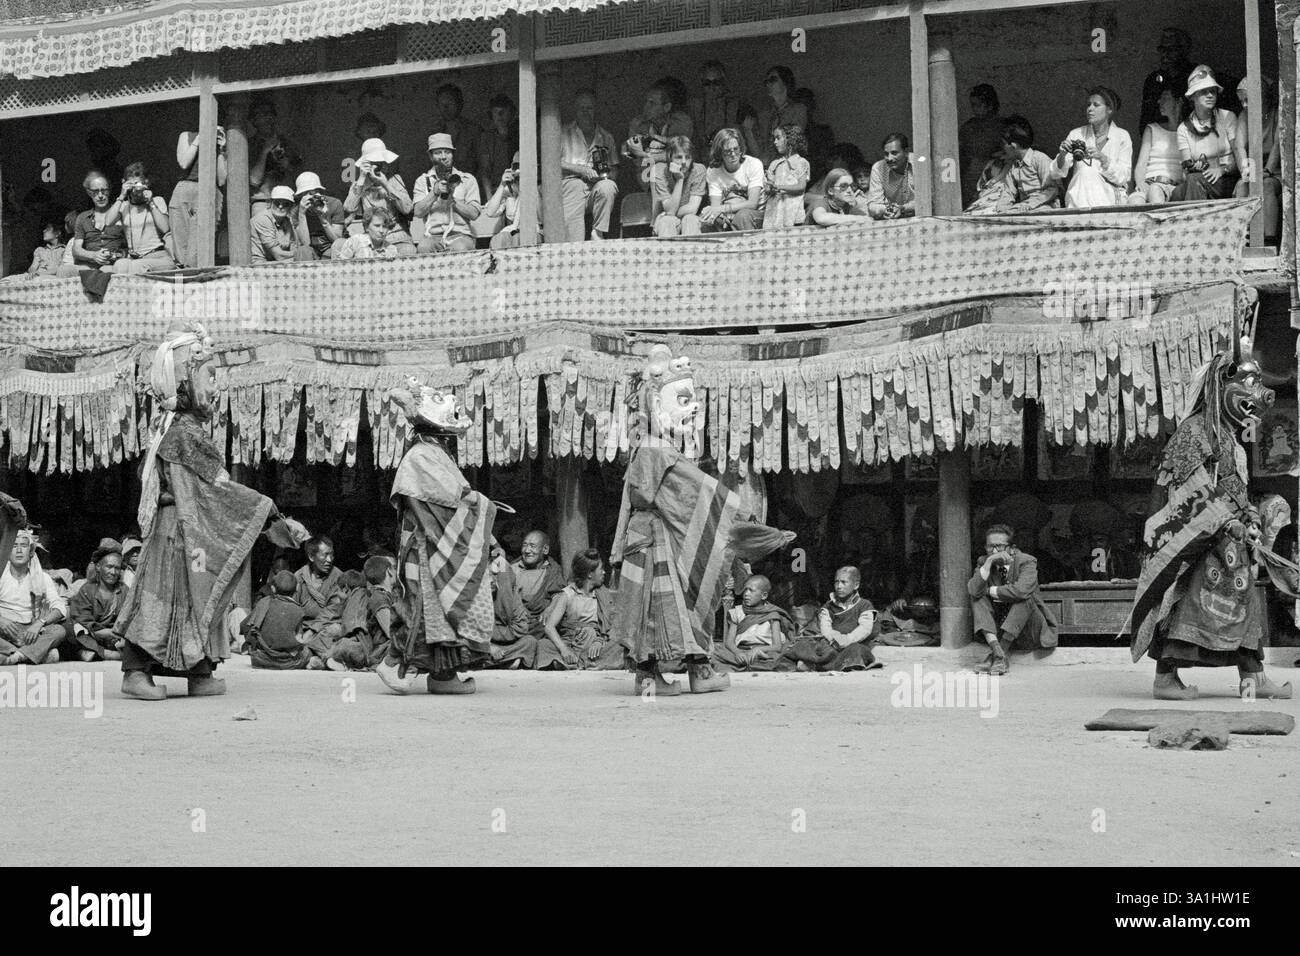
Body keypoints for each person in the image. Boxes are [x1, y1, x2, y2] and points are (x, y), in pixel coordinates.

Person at [114, 321, 307, 700]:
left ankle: (199, 673)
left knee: (198, 599)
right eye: (210, 376)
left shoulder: (185, 431)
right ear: (185, 381)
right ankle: (134, 672)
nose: (215, 387)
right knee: (165, 599)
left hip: (191, 531)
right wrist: (267, 511)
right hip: (175, 532)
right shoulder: (182, 434)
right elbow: (217, 489)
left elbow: (211, 490)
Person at [611, 344, 795, 696]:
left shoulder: (648, 450)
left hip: (653, 538)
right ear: (654, 405)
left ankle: (667, 675)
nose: (693, 407)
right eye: (683, 400)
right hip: (658, 541)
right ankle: (672, 675)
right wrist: (741, 515)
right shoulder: (658, 453)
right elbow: (701, 492)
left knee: (681, 603)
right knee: (679, 602)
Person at [1125, 338, 1294, 701]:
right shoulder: (1194, 430)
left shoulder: (1229, 438)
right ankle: (1165, 679)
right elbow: (1190, 486)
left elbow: (1236, 487)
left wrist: (1248, 515)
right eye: (1248, 384)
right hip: (1199, 540)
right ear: (1222, 385)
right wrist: (1223, 521)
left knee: (1244, 604)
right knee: (1185, 603)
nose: (1259, 394)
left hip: (1230, 540)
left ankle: (1254, 676)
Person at [374, 379, 498, 695]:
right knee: (417, 609)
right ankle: (391, 665)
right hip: (422, 546)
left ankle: (444, 676)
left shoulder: (436, 455)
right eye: (448, 435)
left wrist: (476, 503)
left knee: (444, 613)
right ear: (437, 432)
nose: (451, 440)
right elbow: (409, 491)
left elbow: (453, 496)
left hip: (442, 543)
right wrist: (434, 521)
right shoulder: (420, 454)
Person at [967, 524, 1058, 676]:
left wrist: (991, 591)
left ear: (1012, 548)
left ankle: (997, 655)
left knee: (1025, 598)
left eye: (1000, 546)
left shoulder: (1027, 561)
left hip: (1028, 633)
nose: (995, 551)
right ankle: (999, 654)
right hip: (998, 631)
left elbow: (1021, 591)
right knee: (978, 598)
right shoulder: (984, 562)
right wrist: (989, 563)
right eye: (990, 547)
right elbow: (973, 590)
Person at [777, 566, 882, 672]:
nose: (839, 586)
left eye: (844, 582)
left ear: (856, 585)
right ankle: (825, 664)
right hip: (832, 644)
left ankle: (814, 665)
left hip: (853, 644)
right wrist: (833, 638)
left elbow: (865, 629)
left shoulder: (864, 605)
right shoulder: (828, 606)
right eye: (836, 582)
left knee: (856, 650)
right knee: (804, 645)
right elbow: (825, 628)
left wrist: (846, 640)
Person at [537, 549, 623, 670]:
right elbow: (549, 627)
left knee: (619, 646)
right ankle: (582, 662)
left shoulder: (602, 594)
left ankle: (571, 663)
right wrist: (564, 650)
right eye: (600, 569)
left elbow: (613, 625)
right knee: (543, 645)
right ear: (590, 574)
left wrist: (599, 641)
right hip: (569, 642)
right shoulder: (567, 594)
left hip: (592, 644)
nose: (604, 572)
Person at [1054, 86, 1132, 208]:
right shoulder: (1076, 134)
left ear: (1109, 109)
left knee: (1088, 172)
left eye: (1096, 105)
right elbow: (1057, 174)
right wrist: (1062, 155)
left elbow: (1123, 177)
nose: (1090, 109)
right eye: (1088, 105)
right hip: (1080, 196)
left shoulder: (1122, 136)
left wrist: (1103, 159)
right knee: (1085, 172)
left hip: (1110, 196)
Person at [1170, 65, 1239, 202]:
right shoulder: (1183, 128)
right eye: (1203, 91)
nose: (1210, 95)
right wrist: (1193, 167)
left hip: (1227, 178)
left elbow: (1240, 155)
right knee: (1179, 192)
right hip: (1199, 179)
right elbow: (1186, 168)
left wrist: (1222, 170)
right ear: (1193, 96)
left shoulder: (1227, 117)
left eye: (1213, 91)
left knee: (1193, 182)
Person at [966, 116, 1060, 214]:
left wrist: (1029, 204)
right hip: (1024, 209)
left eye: (1004, 145)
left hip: (1044, 206)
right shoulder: (1014, 166)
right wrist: (1002, 209)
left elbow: (1051, 189)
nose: (1003, 149)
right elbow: (1008, 192)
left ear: (1013, 146)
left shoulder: (1040, 159)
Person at [0, 530, 67, 666]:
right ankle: (36, 654)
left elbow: (60, 608)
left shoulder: (43, 577)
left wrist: (39, 623)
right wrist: (1, 620)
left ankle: (14, 657)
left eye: (23, 546)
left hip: (29, 633)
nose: (19, 550)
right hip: (3, 629)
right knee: (52, 653)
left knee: (59, 630)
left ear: (31, 552)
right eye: (14, 546)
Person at [559, 90, 620, 241]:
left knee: (609, 186)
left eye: (589, 108)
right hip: (570, 186)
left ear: (595, 110)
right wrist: (581, 170)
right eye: (582, 108)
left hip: (595, 188)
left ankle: (597, 233)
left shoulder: (606, 137)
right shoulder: (563, 133)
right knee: (576, 185)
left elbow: (615, 169)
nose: (585, 112)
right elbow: (553, 163)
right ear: (575, 110)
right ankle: (575, 247)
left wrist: (602, 176)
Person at [411, 133, 482, 254]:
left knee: (459, 248)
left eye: (447, 152)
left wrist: (453, 201)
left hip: (460, 235)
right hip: (432, 236)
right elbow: (418, 212)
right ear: (430, 156)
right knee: (423, 248)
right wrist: (434, 193)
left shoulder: (467, 179)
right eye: (438, 152)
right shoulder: (422, 181)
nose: (443, 157)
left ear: (453, 155)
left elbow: (474, 214)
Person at [343, 138, 415, 256]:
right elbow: (349, 208)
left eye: (380, 162)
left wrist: (386, 184)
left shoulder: (395, 180)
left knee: (408, 251)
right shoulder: (359, 184)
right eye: (373, 162)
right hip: (372, 238)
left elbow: (407, 208)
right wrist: (361, 178)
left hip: (397, 236)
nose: (377, 166)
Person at [1232, 75, 1281, 243]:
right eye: (1241, 101)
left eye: (1247, 100)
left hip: (1275, 171)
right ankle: (1243, 238)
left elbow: (1277, 145)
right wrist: (1246, 170)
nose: (1244, 105)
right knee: (1241, 186)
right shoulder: (1244, 116)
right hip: (1254, 168)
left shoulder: (1276, 113)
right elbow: (1239, 146)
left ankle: (1269, 238)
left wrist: (1267, 170)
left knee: (1266, 185)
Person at [170, 125, 227, 267]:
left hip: (207, 190)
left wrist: (222, 150)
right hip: (184, 188)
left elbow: (221, 179)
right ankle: (182, 280)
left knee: (196, 251)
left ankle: (194, 281)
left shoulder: (223, 141)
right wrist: (199, 139)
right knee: (180, 245)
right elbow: (184, 163)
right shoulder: (187, 135)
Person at [329, 560, 400, 671]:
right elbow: (390, 632)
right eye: (394, 568)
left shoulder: (387, 595)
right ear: (389, 571)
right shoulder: (379, 598)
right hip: (381, 650)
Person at [103, 162, 174, 273]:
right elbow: (108, 222)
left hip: (157, 256)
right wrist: (121, 195)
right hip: (134, 258)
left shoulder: (157, 201)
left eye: (138, 184)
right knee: (120, 265)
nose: (136, 189)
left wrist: (150, 203)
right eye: (132, 185)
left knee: (136, 266)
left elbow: (165, 228)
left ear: (146, 183)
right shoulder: (124, 206)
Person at [715, 573, 793, 672]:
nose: (746, 594)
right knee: (716, 653)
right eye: (745, 590)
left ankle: (747, 665)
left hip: (763, 651)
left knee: (779, 657)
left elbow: (777, 646)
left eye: (751, 591)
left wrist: (757, 650)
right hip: (741, 651)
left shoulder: (773, 614)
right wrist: (738, 653)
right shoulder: (737, 612)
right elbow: (729, 642)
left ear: (764, 595)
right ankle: (751, 664)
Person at [623, 77, 693, 186]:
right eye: (646, 102)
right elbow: (632, 155)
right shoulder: (637, 123)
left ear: (666, 107)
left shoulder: (681, 122)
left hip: (676, 181)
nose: (646, 107)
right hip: (647, 180)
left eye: (652, 103)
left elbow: (681, 153)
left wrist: (650, 154)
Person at [67, 539, 127, 662]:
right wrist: (102, 631)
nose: (113, 572)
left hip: (115, 636)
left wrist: (117, 633)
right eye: (109, 567)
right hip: (93, 634)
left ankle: (95, 653)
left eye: (117, 568)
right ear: (99, 567)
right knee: (73, 628)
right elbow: (81, 619)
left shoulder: (124, 590)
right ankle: (107, 654)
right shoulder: (87, 589)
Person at [1128, 78, 1186, 204]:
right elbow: (1141, 165)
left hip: (1172, 187)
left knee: (1155, 191)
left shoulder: (1188, 130)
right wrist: (1140, 184)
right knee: (1135, 202)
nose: (1159, 101)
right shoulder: (1152, 129)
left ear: (1179, 101)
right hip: (1148, 183)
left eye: (1165, 98)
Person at [61, 171, 126, 276]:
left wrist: (116, 255)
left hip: (113, 264)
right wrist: (93, 255)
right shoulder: (82, 217)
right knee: (64, 270)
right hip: (87, 266)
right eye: (95, 191)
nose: (100, 195)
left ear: (109, 191)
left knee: (107, 271)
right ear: (89, 193)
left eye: (104, 190)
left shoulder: (121, 212)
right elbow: (76, 250)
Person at [700, 128, 765, 232]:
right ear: (719, 152)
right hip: (728, 213)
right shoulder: (713, 171)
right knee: (709, 219)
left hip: (755, 213)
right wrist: (713, 213)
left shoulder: (753, 164)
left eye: (736, 149)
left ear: (741, 148)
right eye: (728, 151)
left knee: (742, 216)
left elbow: (753, 203)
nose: (733, 154)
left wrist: (722, 209)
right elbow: (715, 206)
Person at [742, 65, 808, 168]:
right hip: (765, 169)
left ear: (786, 82)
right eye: (766, 81)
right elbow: (758, 152)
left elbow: (792, 145)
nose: (768, 84)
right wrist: (748, 131)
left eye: (773, 80)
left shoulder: (798, 110)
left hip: (788, 169)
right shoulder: (764, 114)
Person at [248, 97, 304, 217]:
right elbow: (253, 180)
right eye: (262, 114)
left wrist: (284, 162)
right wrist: (265, 151)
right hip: (263, 202)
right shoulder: (250, 145)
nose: (268, 118)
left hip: (288, 201)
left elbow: (300, 176)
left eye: (270, 114)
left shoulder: (287, 143)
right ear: (253, 121)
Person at [244, 570, 311, 670]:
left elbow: (245, 627)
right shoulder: (298, 610)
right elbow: (299, 638)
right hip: (287, 663)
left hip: (260, 659)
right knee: (307, 651)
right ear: (297, 588)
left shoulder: (263, 602)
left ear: (272, 589)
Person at [486, 548, 536, 668]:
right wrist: (489, 647)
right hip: (483, 644)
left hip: (506, 644)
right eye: (488, 575)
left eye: (495, 575)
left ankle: (498, 660)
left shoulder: (511, 595)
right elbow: (469, 630)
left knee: (530, 642)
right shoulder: (474, 596)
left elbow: (521, 627)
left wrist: (496, 635)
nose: (492, 580)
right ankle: (506, 660)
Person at [430, 84, 482, 197]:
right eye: (441, 104)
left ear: (459, 103)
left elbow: (483, 167)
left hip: (469, 190)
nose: (445, 107)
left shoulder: (473, 131)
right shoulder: (435, 132)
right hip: (442, 191)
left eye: (449, 102)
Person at [510, 529, 565, 637]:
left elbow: (559, 594)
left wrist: (550, 608)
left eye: (532, 546)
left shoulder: (552, 570)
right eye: (524, 545)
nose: (527, 550)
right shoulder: (512, 568)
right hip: (515, 619)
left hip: (538, 623)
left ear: (545, 549)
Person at [1138, 27, 1194, 132]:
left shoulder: (1195, 77)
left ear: (1184, 50)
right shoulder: (1153, 80)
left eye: (1171, 50)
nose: (1165, 54)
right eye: (1162, 49)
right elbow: (1145, 121)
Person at [651, 136, 706, 237]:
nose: (684, 162)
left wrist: (670, 212)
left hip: (691, 217)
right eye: (679, 157)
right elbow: (670, 211)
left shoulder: (699, 170)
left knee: (690, 219)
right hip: (666, 219)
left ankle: (691, 252)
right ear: (670, 157)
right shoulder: (659, 170)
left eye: (688, 157)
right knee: (667, 221)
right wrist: (680, 180)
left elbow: (692, 208)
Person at [959, 83, 1004, 207]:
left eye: (977, 105)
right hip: (970, 176)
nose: (973, 109)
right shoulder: (968, 127)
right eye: (972, 105)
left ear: (990, 105)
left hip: (995, 178)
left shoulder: (1003, 127)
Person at [763, 124, 810, 229]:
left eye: (778, 138)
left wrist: (779, 187)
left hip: (792, 208)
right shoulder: (775, 164)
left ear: (790, 139)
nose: (775, 142)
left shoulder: (801, 162)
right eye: (774, 139)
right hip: (775, 210)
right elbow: (769, 188)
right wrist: (769, 187)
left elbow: (801, 186)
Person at [688, 60, 741, 153]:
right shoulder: (695, 105)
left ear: (723, 83)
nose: (711, 87)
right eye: (707, 83)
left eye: (716, 82)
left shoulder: (733, 104)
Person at [291, 172, 345, 260]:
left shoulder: (334, 204)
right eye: (307, 194)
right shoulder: (296, 211)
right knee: (302, 251)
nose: (312, 198)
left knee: (340, 245)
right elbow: (305, 243)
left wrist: (323, 219)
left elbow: (337, 240)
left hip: (331, 248)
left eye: (315, 192)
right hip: (312, 251)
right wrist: (302, 214)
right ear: (301, 195)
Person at [865, 133, 916, 220]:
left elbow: (927, 200)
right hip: (892, 220)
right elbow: (873, 204)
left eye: (894, 153)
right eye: (886, 154)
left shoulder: (919, 163)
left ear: (906, 152)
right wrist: (886, 210)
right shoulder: (878, 168)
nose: (889, 158)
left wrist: (903, 208)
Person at [478, 93, 520, 198]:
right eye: (496, 112)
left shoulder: (520, 135)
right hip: (496, 189)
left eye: (504, 111)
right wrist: (489, 198)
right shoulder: (487, 138)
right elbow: (485, 171)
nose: (500, 115)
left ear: (512, 113)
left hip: (519, 189)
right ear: (491, 115)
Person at [790, 87, 834, 183]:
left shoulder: (823, 132)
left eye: (806, 105)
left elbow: (826, 162)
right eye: (800, 105)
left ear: (812, 106)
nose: (803, 109)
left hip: (816, 180)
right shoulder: (786, 133)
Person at [484, 151, 524, 249]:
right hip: (512, 230)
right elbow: (490, 212)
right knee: (498, 240)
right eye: (516, 166)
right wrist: (502, 185)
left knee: (518, 239)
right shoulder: (509, 190)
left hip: (533, 230)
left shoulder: (539, 187)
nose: (519, 169)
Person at [249, 185, 297, 264]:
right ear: (270, 203)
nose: (281, 206)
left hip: (276, 262)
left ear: (290, 207)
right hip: (259, 264)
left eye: (285, 204)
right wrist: (299, 255)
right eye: (277, 203)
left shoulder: (287, 221)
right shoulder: (263, 219)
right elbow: (278, 255)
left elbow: (293, 248)